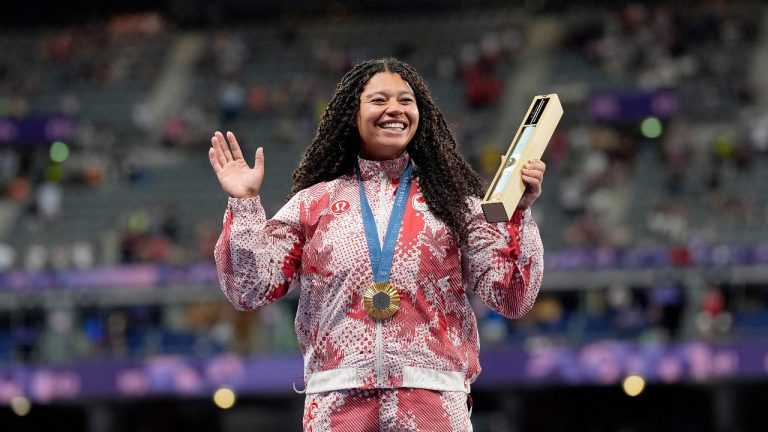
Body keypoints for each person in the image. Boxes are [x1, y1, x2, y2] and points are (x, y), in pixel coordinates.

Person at [209, 57, 545, 432]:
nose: (395, 110)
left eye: (406, 100)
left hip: (432, 398)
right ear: (352, 114)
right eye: (379, 100)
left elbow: (511, 297)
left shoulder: (455, 202)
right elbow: (249, 289)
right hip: (336, 399)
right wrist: (244, 204)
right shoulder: (313, 203)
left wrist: (518, 215)